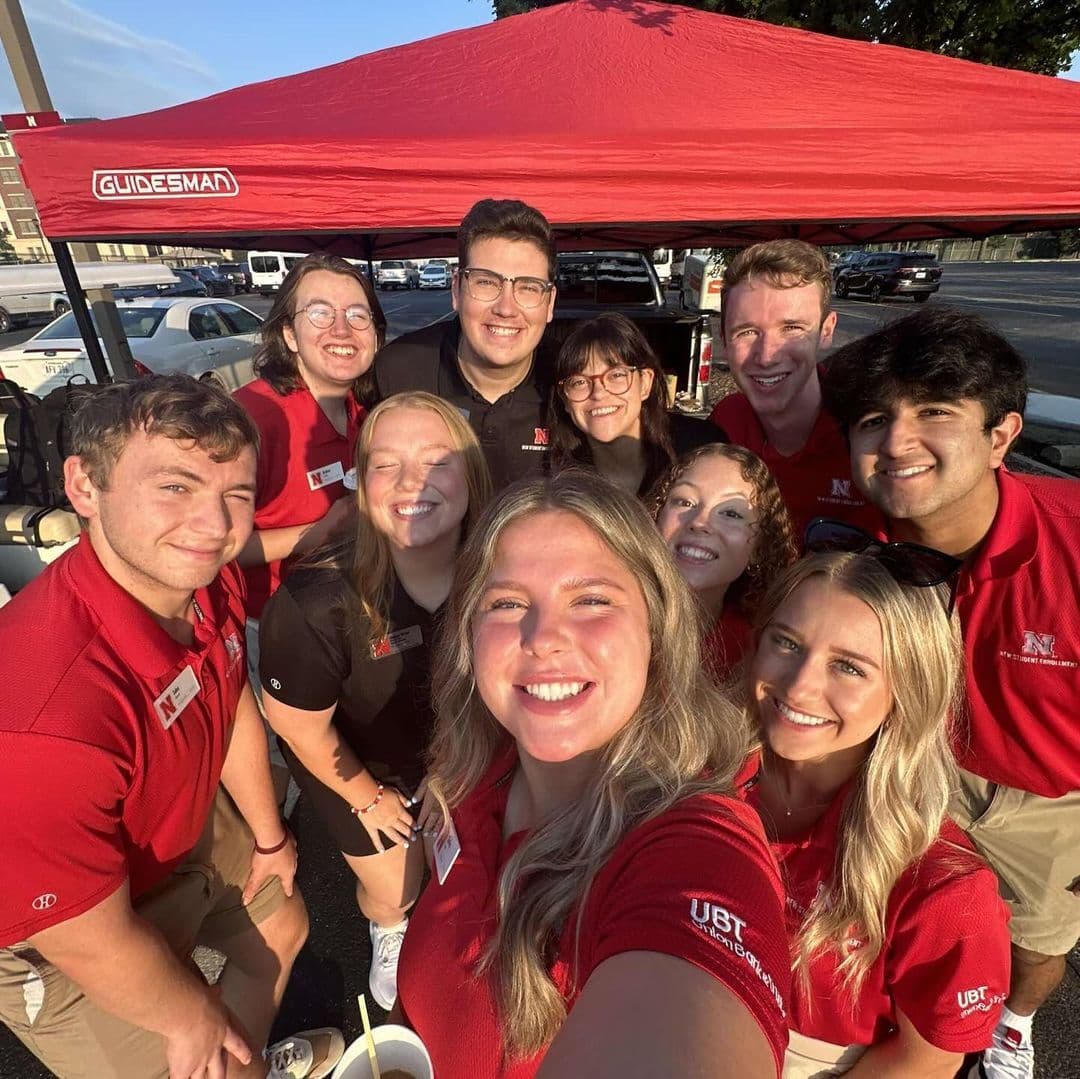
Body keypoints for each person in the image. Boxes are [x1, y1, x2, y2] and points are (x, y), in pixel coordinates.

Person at [0, 375, 343, 1079]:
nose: (215, 525)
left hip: (173, 829)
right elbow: (82, 935)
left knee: (281, 926)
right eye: (176, 486)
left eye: (236, 495)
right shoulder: (43, 718)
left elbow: (228, 695)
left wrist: (270, 835)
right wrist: (191, 1016)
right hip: (62, 929)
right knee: (197, 1055)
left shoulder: (194, 575)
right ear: (85, 486)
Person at [399, 471, 792, 1078]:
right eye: (506, 603)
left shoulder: (693, 847)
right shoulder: (479, 772)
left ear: (657, 630)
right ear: (468, 635)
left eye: (591, 599)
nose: (544, 638)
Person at [822, 305, 1080, 1079]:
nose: (897, 442)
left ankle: (1015, 1024)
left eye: (933, 412)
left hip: (1044, 792)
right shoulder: (849, 538)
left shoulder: (1070, 544)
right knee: (893, 924)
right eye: (875, 418)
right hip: (909, 760)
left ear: (1001, 434)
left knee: (1037, 946)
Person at [258, 392, 492, 1013]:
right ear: (362, 483)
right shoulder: (317, 601)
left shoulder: (504, 571)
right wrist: (367, 795)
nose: (412, 481)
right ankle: (387, 927)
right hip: (366, 768)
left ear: (472, 473)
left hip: (463, 756)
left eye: (437, 461)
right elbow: (293, 724)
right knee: (398, 890)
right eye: (387, 464)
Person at [741, 550, 1011, 1077]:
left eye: (848, 667)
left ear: (907, 691)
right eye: (786, 642)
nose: (798, 686)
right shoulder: (689, 782)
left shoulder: (944, 887)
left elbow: (927, 1058)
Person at [235, 253, 387, 682]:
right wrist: (320, 532)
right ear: (290, 333)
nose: (341, 329)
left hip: (352, 613)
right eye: (320, 313)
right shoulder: (253, 419)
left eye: (358, 315)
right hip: (277, 626)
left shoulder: (367, 410)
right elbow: (215, 545)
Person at [374, 198, 557, 491]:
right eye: (486, 282)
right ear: (457, 289)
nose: (506, 308)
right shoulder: (396, 373)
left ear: (550, 303)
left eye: (528, 287)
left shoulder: (571, 383)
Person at [707, 240, 879, 539]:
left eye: (792, 328)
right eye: (747, 332)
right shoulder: (725, 425)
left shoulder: (870, 433)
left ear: (826, 330)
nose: (767, 355)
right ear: (724, 337)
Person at [651, 442, 796, 679]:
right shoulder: (607, 616)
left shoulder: (757, 653)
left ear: (761, 547)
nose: (699, 522)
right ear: (656, 515)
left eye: (731, 513)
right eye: (684, 501)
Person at [548, 311, 717, 496]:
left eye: (616, 375)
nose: (598, 393)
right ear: (565, 399)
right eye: (579, 382)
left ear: (645, 383)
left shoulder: (700, 450)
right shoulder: (556, 482)